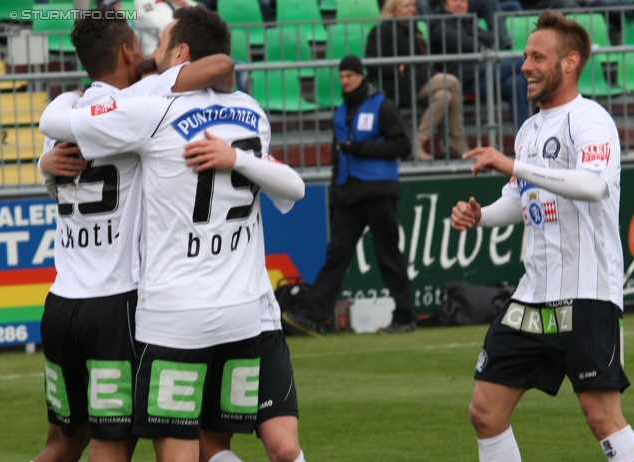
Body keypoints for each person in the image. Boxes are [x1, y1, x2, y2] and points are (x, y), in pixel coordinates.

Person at [39, 6, 306, 462]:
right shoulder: (244, 109)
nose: (149, 53)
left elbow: (52, 122)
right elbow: (223, 69)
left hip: (90, 303)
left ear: (179, 55)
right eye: (143, 45)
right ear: (127, 51)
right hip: (212, 308)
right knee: (207, 446)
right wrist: (237, 157)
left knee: (68, 444)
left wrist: (42, 162)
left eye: (158, 45)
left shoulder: (123, 109)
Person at [450, 10, 634, 461]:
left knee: (602, 418)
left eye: (537, 57)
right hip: (532, 297)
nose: (525, 66)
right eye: (524, 56)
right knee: (485, 411)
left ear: (570, 62)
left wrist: (513, 165)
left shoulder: (591, 120)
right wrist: (482, 216)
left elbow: (593, 185)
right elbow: (521, 198)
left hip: (586, 294)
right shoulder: (530, 129)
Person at [282, 55, 415, 337]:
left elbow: (403, 145)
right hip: (349, 193)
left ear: (360, 76)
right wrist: (335, 193)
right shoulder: (341, 111)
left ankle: (404, 316)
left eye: (349, 76)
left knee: (388, 255)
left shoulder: (382, 105)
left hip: (378, 191)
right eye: (341, 77)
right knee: (336, 257)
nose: (344, 81)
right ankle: (313, 317)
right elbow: (336, 159)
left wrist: (360, 148)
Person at [366, 0, 468, 160]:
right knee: (452, 82)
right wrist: (395, 67)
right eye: (406, 5)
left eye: (413, 5)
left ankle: (417, 143)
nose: (411, 9)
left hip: (418, 80)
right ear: (393, 9)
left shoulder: (413, 28)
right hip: (397, 84)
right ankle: (456, 138)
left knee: (444, 96)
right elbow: (370, 63)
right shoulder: (381, 30)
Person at [429, 0, 529, 130]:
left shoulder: (467, 21)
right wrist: (479, 43)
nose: (460, 4)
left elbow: (494, 38)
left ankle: (525, 139)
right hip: (463, 81)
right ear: (444, 3)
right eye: (455, 1)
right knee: (520, 62)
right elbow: (466, 44)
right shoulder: (437, 23)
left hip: (483, 73)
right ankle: (544, 93)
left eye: (463, 1)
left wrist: (476, 40)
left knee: (517, 83)